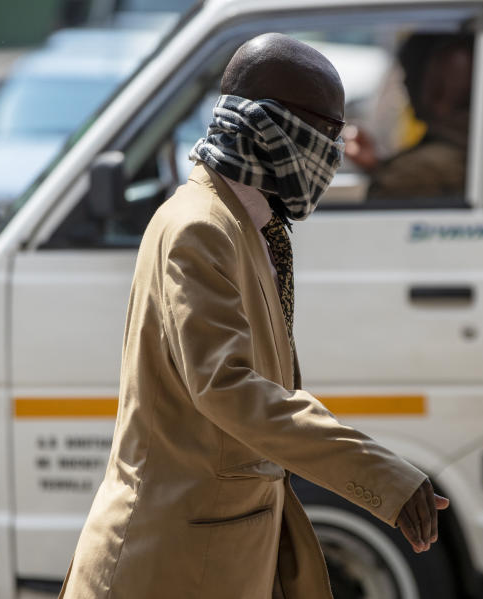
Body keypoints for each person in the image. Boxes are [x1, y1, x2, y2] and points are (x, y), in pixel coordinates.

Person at [58, 33, 448, 599]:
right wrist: (381, 476)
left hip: (217, 559)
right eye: (328, 134)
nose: (335, 155)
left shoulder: (250, 227)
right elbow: (230, 388)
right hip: (168, 564)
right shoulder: (200, 228)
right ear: (274, 130)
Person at [346, 33, 474, 200]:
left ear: (440, 88)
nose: (406, 85)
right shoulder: (468, 146)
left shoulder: (418, 170)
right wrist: (375, 165)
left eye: (410, 73)